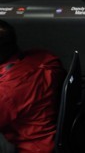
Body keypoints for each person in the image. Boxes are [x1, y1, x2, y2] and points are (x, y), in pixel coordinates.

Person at [0, 20, 65, 153]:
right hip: (49, 139)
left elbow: (11, 93)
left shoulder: (8, 92)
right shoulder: (44, 57)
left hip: (26, 147)